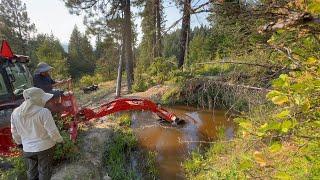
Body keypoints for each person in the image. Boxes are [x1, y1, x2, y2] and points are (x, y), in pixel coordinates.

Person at [10, 87, 63, 180]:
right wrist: (60, 140)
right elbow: (53, 132)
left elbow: (14, 132)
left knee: (32, 171)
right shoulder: (43, 112)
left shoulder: (15, 113)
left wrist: (20, 144)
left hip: (28, 149)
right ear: (38, 99)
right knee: (44, 171)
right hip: (45, 147)